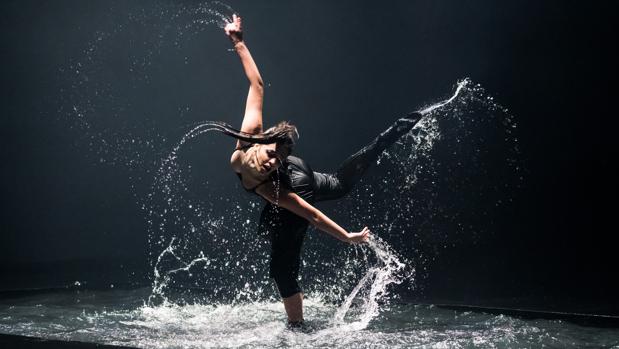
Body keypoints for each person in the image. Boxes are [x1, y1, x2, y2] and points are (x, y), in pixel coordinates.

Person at [223, 14, 423, 326]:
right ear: (264, 142)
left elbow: (312, 215)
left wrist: (348, 237)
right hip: (300, 172)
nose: (272, 162)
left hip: (295, 182)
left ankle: (297, 328)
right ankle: (388, 137)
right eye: (272, 155)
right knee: (342, 184)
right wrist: (237, 41)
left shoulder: (272, 188)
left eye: (277, 158)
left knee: (281, 269)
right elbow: (257, 84)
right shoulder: (251, 135)